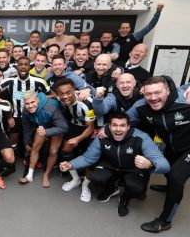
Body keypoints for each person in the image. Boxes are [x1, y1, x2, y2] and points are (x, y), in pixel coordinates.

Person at [60, 112, 170, 216]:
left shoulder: (142, 138)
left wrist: (150, 164)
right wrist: (70, 164)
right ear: (109, 126)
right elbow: (88, 158)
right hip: (111, 165)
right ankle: (112, 188)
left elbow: (164, 164)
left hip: (132, 168)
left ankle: (124, 199)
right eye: (114, 125)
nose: (118, 129)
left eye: (122, 126)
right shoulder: (102, 136)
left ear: (128, 127)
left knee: (136, 188)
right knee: (96, 177)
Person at [126, 76, 190, 233]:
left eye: (158, 92)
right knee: (168, 169)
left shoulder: (185, 99)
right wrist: (105, 130)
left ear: (168, 90)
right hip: (171, 146)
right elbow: (124, 121)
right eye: (149, 94)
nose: (153, 98)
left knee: (176, 176)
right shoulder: (141, 106)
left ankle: (165, 220)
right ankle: (171, 187)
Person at [56, 78, 95, 202]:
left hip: (89, 129)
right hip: (73, 126)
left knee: (90, 158)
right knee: (65, 151)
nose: (65, 96)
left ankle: (85, 186)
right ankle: (76, 179)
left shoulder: (86, 103)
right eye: (61, 94)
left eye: (68, 92)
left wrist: (78, 139)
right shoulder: (61, 99)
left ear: (75, 91)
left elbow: (91, 127)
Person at [20, 90, 68, 187]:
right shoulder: (25, 110)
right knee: (35, 146)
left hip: (57, 126)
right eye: (27, 103)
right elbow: (27, 127)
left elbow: (64, 127)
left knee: (53, 151)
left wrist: (46, 132)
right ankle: (29, 175)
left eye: (32, 102)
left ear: (37, 100)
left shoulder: (50, 107)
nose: (30, 106)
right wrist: (26, 143)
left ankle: (46, 175)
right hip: (43, 126)